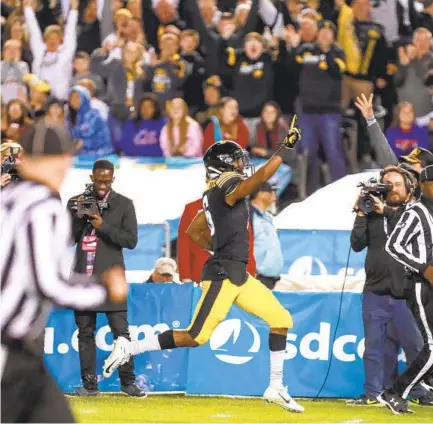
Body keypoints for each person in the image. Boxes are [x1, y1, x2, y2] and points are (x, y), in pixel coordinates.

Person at [103, 119, 305, 412]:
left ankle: (275, 387)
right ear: (223, 166)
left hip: (239, 273)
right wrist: (284, 149)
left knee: (281, 319)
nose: (240, 165)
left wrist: (220, 245)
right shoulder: (225, 185)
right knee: (195, 336)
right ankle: (128, 347)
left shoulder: (212, 193)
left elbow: (194, 231)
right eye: (236, 161)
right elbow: (254, 181)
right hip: (223, 274)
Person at [1, 121, 127, 422]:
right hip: (8, 348)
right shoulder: (43, 205)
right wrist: (103, 289)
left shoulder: (7, 199)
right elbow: (49, 283)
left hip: (19, 353)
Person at [349, 165, 433, 406]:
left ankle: (416, 391)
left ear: (409, 187)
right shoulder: (373, 212)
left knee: (416, 346)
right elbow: (357, 244)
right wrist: (361, 214)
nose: (393, 189)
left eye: (397, 184)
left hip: (406, 292)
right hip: (375, 290)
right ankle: (372, 394)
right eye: (388, 184)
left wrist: (384, 210)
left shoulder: (415, 213)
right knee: (374, 348)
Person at [66, 159, 144, 397]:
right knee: (85, 333)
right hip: (84, 279)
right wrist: (78, 217)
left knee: (122, 333)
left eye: (106, 180)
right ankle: (90, 386)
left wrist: (102, 225)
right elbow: (68, 240)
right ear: (91, 177)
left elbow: (131, 241)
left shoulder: (124, 204)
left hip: (112, 280)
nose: (102, 185)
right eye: (98, 180)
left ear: (113, 178)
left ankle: (128, 383)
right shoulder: (75, 202)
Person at [382, 165, 433, 414]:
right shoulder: (416, 213)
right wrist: (424, 268)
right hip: (420, 285)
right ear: (423, 186)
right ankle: (395, 392)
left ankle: (424, 382)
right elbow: (393, 245)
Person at [250, 183, 284, 290]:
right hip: (255, 278)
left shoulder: (267, 217)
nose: (274, 196)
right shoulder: (247, 216)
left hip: (268, 279)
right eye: (271, 191)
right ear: (261, 194)